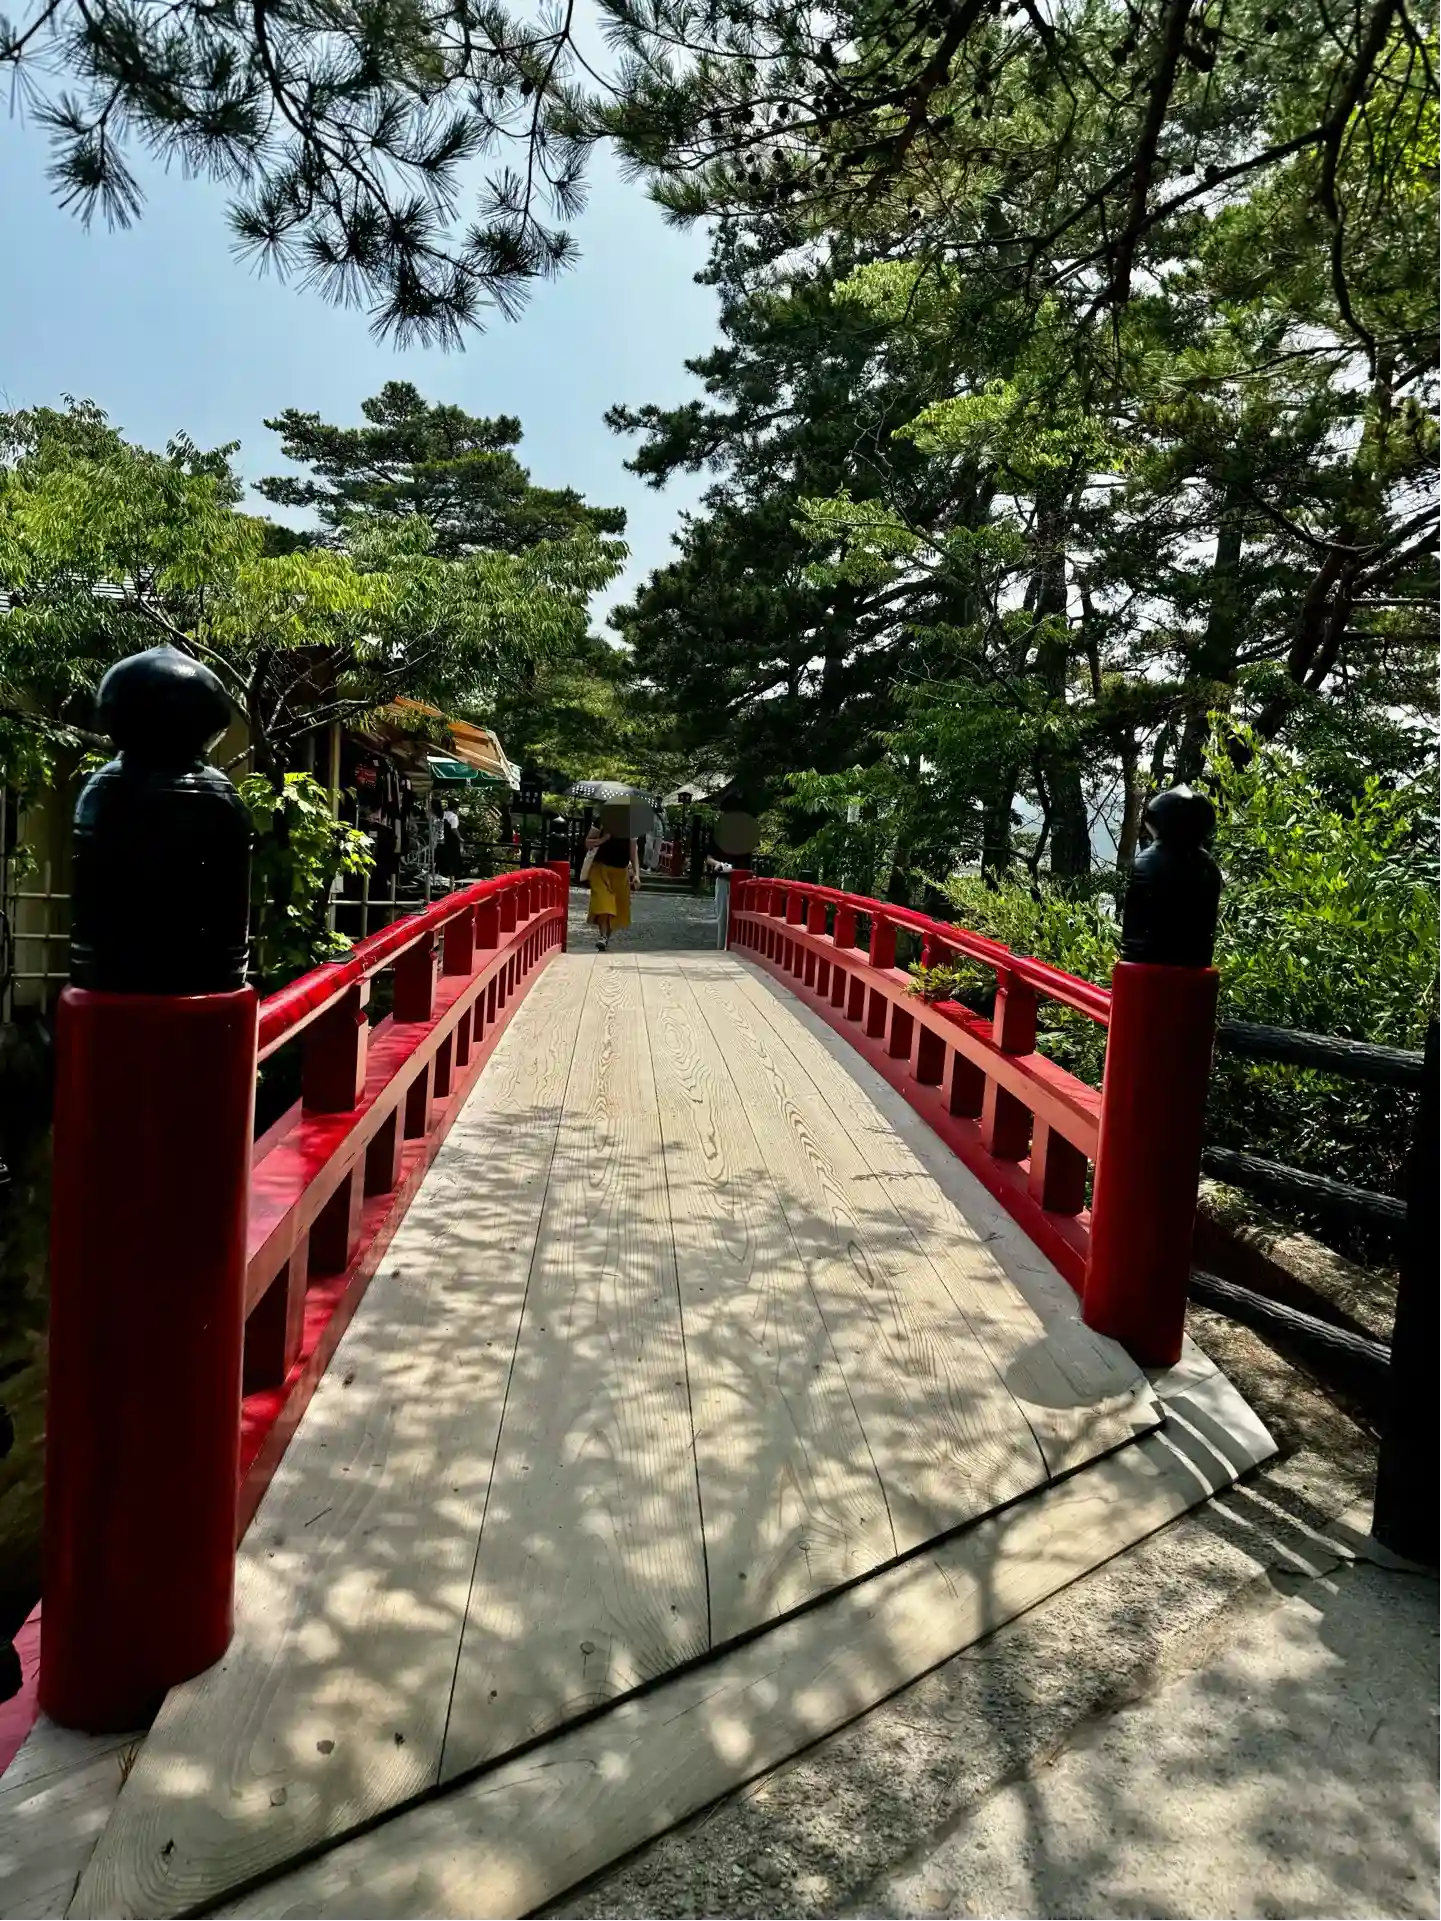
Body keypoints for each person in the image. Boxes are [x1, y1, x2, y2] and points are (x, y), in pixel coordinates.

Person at [586, 804, 640, 953]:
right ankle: (603, 936)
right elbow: (587, 842)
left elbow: (633, 852)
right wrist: (603, 839)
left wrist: (636, 874)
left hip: (620, 871)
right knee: (603, 903)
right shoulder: (601, 821)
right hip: (600, 868)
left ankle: (605, 938)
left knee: (615, 908)